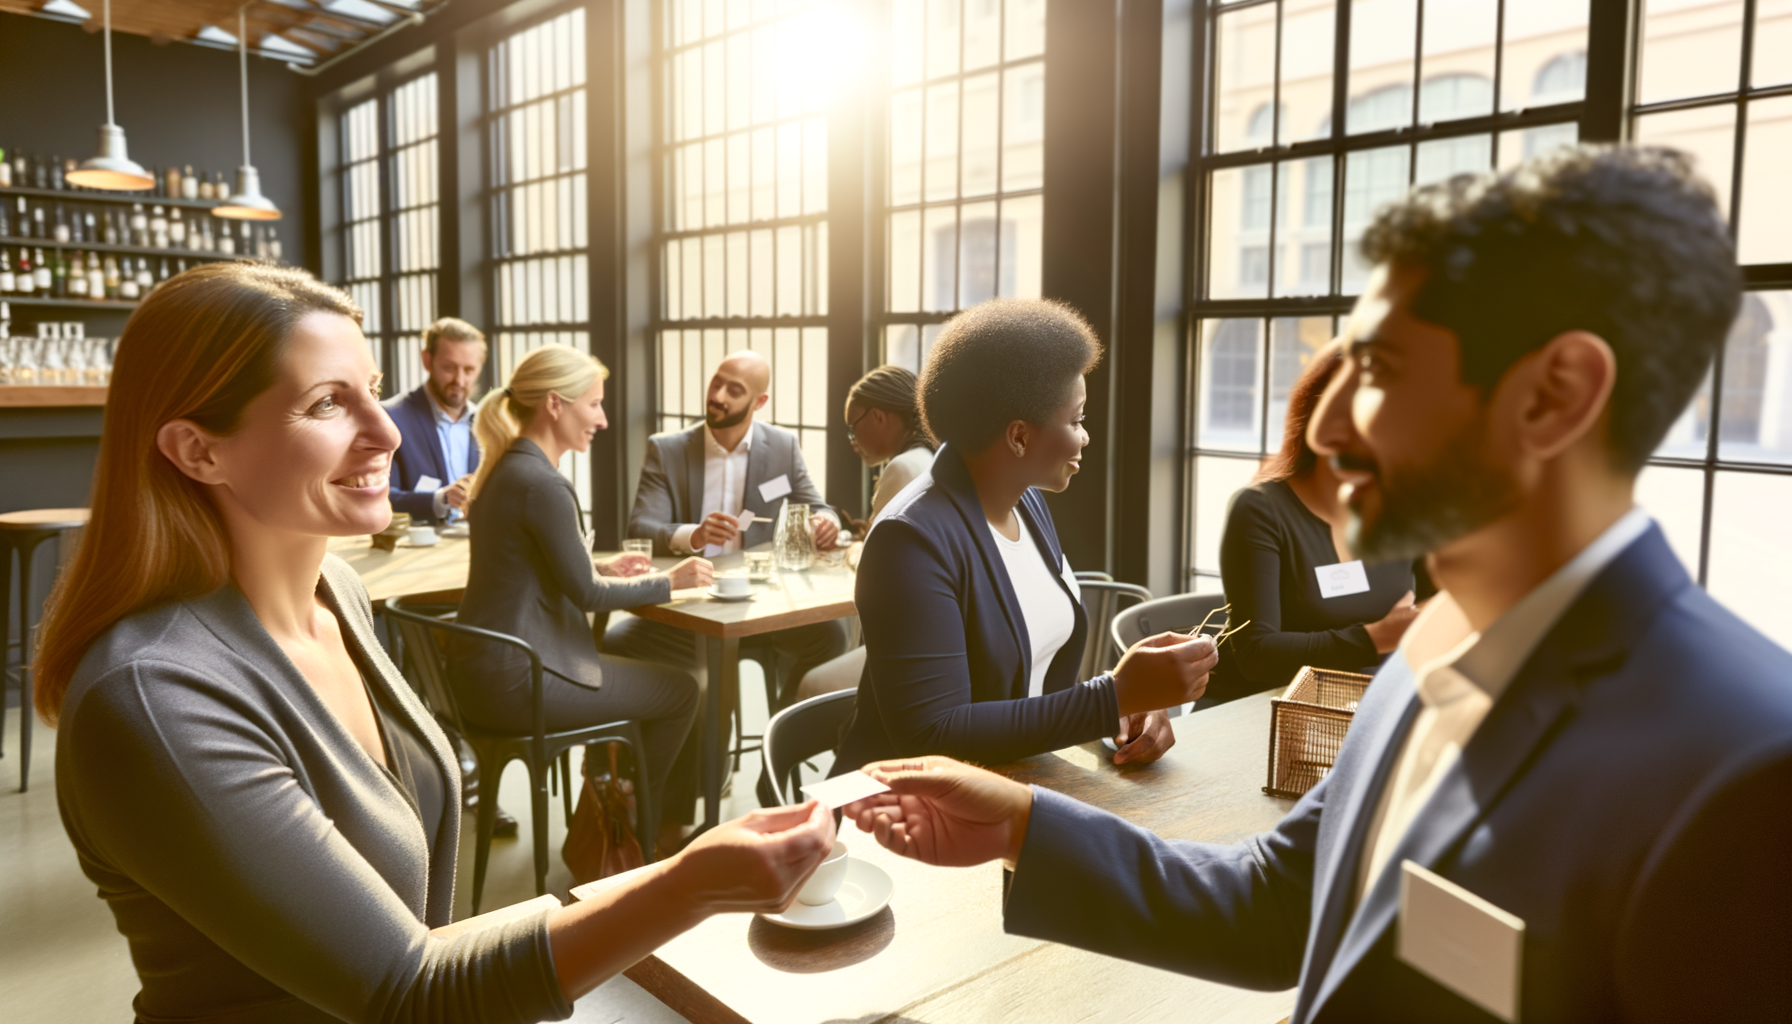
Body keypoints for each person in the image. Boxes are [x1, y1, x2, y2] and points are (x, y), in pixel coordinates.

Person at [842, 147, 1792, 1023]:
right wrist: (1026, 825)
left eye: (1376, 367)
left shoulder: (1749, 772)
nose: (1329, 425)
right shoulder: (1428, 643)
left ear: (1553, 395)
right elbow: (1275, 908)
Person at [36, 263, 834, 1023]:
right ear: (197, 449)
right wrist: (691, 884)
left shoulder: (335, 596)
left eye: (375, 392)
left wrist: (686, 876)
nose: (385, 431)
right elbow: (409, 994)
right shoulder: (155, 697)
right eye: (325, 403)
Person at [833, 299, 1218, 774]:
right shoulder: (909, 542)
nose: (1085, 437)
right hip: (909, 815)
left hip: (1019, 779)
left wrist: (1125, 703)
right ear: (1018, 437)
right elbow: (932, 735)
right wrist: (1110, 696)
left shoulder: (1027, 502)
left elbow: (1032, 679)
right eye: (1076, 420)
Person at [453, 344, 714, 852]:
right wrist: (673, 581)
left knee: (632, 653)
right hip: (519, 680)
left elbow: (533, 567)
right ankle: (640, 818)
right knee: (681, 691)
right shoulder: (541, 482)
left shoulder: (506, 468)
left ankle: (611, 789)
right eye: (593, 404)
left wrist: (601, 565)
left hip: (482, 672)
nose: (604, 419)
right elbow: (589, 595)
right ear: (556, 404)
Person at [610, 349, 849, 706]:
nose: (717, 397)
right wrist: (695, 534)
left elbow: (818, 506)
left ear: (759, 401)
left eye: (733, 390)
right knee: (618, 642)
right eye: (716, 383)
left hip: (761, 606)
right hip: (689, 607)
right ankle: (689, 753)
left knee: (830, 637)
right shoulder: (668, 449)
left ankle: (780, 737)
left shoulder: (783, 447)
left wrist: (826, 523)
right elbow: (641, 528)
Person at [1212, 344, 1423, 703]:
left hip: (1355, 708)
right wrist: (1377, 637)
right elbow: (1256, 655)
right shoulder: (1260, 510)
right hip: (1257, 712)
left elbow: (1445, 609)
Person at [787, 365, 940, 708]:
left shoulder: (903, 469)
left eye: (853, 427)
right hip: (938, 630)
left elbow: (874, 568)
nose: (853, 441)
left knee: (809, 686)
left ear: (880, 417)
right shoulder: (933, 457)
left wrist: (852, 549)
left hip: (914, 642)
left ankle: (783, 746)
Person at [384, 316, 486, 524]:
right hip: (417, 551)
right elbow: (379, 498)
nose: (459, 380)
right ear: (427, 360)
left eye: (469, 370)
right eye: (449, 368)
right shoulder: (390, 418)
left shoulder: (486, 424)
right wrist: (440, 499)